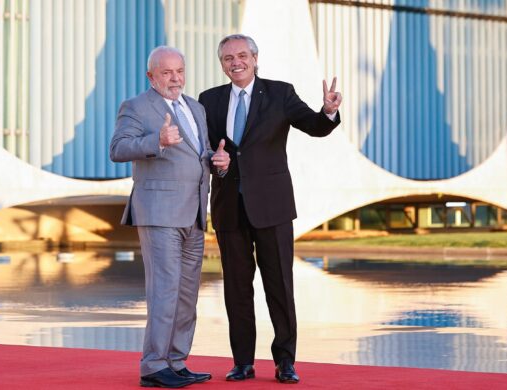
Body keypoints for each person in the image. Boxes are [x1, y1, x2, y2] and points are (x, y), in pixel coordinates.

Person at [198, 34, 342, 384]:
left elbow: (315, 126)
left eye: (243, 55)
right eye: (229, 57)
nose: (236, 62)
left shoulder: (280, 93)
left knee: (279, 287)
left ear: (255, 58)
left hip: (273, 208)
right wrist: (214, 161)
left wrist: (329, 110)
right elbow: (203, 149)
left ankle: (285, 362)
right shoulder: (209, 100)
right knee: (236, 289)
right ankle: (243, 362)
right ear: (222, 64)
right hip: (230, 208)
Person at [110, 46, 230, 388]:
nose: (175, 78)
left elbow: (199, 152)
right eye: (166, 72)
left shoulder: (195, 107)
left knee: (187, 293)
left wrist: (217, 160)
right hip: (159, 212)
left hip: (193, 211)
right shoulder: (136, 107)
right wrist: (156, 141)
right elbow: (117, 149)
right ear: (151, 76)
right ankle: (153, 366)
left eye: (179, 70)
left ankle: (176, 361)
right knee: (165, 289)